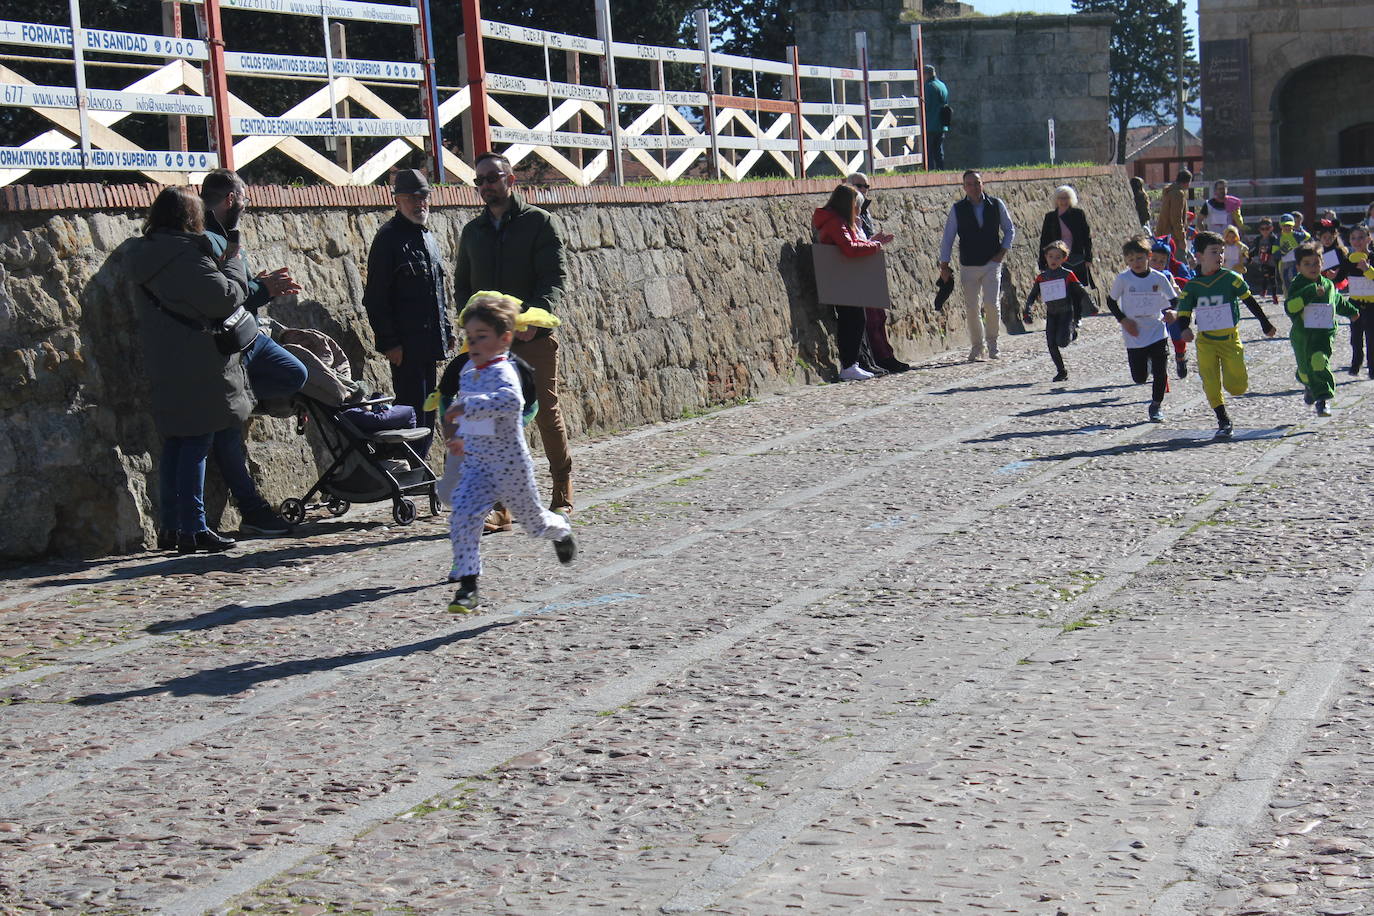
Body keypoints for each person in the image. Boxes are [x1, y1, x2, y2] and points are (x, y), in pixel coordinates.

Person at [130, 187, 252, 553]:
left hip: (164, 357)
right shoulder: (186, 255)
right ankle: (193, 528)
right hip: (198, 361)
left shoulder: (145, 253)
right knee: (198, 440)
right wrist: (234, 260)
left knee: (177, 443)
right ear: (189, 218)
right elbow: (225, 298)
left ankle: (171, 527)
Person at [453, 152, 573, 520]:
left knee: (545, 413)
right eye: (480, 181)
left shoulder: (540, 223)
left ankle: (561, 485)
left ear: (511, 179)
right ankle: (500, 506)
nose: (487, 186)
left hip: (532, 337)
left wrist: (535, 318)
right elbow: (463, 287)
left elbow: (554, 279)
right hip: (490, 346)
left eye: (493, 177)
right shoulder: (472, 232)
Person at [443, 293, 576, 612]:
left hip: (509, 467)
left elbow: (512, 403)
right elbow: (463, 412)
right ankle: (468, 586)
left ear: (504, 339)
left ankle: (560, 529)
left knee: (534, 525)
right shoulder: (468, 371)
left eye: (482, 337)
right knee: (462, 516)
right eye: (470, 337)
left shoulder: (504, 370)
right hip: (477, 466)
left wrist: (467, 407)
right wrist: (457, 435)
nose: (473, 343)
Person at [198, 168, 305, 539]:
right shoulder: (205, 238)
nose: (247, 204)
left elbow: (234, 289)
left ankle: (247, 396)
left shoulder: (227, 234)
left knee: (296, 373)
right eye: (244, 198)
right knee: (226, 433)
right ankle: (252, 510)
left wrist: (257, 285)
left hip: (249, 334)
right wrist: (262, 289)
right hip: (225, 344)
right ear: (231, 199)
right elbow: (220, 298)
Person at [364, 168, 455, 464]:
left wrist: (447, 330)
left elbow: (437, 290)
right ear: (398, 201)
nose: (420, 204)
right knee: (410, 409)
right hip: (406, 345)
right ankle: (408, 466)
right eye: (412, 198)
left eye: (424, 197)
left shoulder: (426, 237)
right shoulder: (389, 239)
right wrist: (390, 343)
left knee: (428, 408)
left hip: (429, 342)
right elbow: (376, 298)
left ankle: (419, 466)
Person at [1174, 230, 1279, 438]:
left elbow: (1250, 301)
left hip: (1231, 340)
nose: (1220, 257)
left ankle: (1230, 396)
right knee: (1211, 383)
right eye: (1214, 252)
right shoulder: (1193, 286)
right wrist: (1184, 329)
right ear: (1199, 256)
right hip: (1206, 342)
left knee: (1237, 387)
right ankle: (1223, 419)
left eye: (1222, 252)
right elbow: (1184, 312)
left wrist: (1265, 323)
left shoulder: (1231, 278)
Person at [813, 183, 893, 380]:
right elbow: (850, 248)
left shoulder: (838, 221)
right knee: (852, 320)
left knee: (856, 319)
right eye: (856, 206)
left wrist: (870, 241)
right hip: (842, 278)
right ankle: (849, 364)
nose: (858, 210)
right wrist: (874, 246)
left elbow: (853, 244)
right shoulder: (836, 222)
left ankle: (853, 363)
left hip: (845, 278)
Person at [938, 170, 1016, 361]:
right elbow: (948, 238)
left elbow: (1009, 229)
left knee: (991, 304)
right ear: (964, 187)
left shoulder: (996, 205)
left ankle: (993, 343)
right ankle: (977, 346)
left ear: (983, 184)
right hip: (968, 264)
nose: (974, 187)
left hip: (992, 261)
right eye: (970, 184)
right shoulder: (958, 209)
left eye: (977, 182)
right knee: (972, 307)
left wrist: (1002, 252)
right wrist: (944, 265)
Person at [1105, 236, 1181, 423]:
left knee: (1161, 370)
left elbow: (1174, 300)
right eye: (1131, 260)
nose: (1135, 263)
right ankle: (1145, 365)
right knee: (1139, 377)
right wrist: (1123, 320)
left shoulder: (1159, 277)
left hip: (1156, 329)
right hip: (1134, 332)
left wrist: (1172, 312)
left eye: (1139, 258)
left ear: (1148, 256)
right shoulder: (1123, 279)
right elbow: (1111, 301)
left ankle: (1156, 405)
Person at [1284, 243, 1358, 417]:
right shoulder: (1297, 285)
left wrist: (1352, 312)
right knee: (1305, 371)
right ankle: (1308, 384)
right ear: (1298, 267)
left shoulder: (1328, 285)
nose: (1313, 267)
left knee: (1319, 361)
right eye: (1307, 264)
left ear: (1322, 263)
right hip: (1302, 336)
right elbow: (1290, 308)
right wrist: (1310, 292)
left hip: (1323, 335)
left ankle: (1323, 400)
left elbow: (1337, 301)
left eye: (1316, 263)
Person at [847, 173, 910, 373]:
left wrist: (874, 241)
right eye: (859, 186)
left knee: (878, 316)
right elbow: (853, 242)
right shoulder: (848, 211)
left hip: (870, 263)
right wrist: (873, 242)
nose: (864, 190)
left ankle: (885, 355)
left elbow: (862, 239)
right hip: (859, 268)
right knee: (870, 317)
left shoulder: (864, 210)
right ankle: (878, 357)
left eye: (866, 186)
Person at [1022, 241, 1087, 383]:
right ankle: (1061, 371)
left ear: (1064, 259)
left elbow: (1081, 291)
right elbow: (1032, 295)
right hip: (1052, 313)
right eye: (1051, 256)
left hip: (1066, 312)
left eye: (1058, 257)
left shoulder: (1068, 274)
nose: (1053, 260)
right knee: (1051, 343)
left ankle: (1072, 331)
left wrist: (1091, 306)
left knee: (1062, 342)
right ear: (1046, 257)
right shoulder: (1042, 277)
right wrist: (1027, 310)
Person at [1037, 185, 1095, 319]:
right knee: (1062, 288)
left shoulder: (1078, 214)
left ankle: (1077, 316)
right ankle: (1066, 315)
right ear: (1056, 200)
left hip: (1076, 256)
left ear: (1071, 199)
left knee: (1076, 288)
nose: (1063, 201)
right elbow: (1044, 240)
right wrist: (1042, 261)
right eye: (1060, 198)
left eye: (1066, 198)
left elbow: (1087, 237)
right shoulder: (1050, 217)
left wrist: (1088, 258)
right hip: (1057, 258)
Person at [1149, 237, 1193, 378]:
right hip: (1153, 314)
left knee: (1177, 335)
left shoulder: (1168, 276)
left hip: (1169, 310)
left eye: (1161, 262)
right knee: (1156, 340)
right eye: (1154, 260)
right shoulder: (1142, 276)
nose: (1157, 264)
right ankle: (1156, 363)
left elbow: (1177, 293)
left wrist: (1179, 307)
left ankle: (1180, 357)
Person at [1344, 225, 1374, 376]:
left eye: (1361, 237)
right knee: (1355, 337)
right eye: (1353, 238)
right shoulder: (1348, 259)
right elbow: (1340, 277)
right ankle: (1356, 364)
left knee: (1371, 337)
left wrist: (1367, 269)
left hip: (1372, 304)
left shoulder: (1372, 257)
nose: (1357, 241)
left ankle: (1372, 368)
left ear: (1369, 239)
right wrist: (1332, 276)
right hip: (1354, 303)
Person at [1153, 168, 1191, 255]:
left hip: (1164, 234)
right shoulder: (1178, 194)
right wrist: (1182, 238)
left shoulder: (1169, 191)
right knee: (1181, 263)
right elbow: (1176, 218)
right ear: (1187, 182)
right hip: (1173, 237)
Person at [1250, 217, 1281, 305]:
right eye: (1262, 229)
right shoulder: (1258, 239)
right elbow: (1256, 249)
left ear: (1271, 228)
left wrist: (1270, 252)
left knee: (1272, 278)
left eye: (1267, 229)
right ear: (1259, 230)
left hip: (1272, 261)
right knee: (1265, 275)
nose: (1265, 231)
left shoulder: (1273, 239)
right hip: (1263, 260)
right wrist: (1250, 255)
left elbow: (1276, 249)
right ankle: (1264, 290)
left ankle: (1274, 295)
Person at [923, 65, 948, 170]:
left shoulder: (928, 86)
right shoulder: (942, 85)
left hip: (930, 123)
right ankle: (941, 169)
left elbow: (926, 105)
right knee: (938, 151)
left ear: (926, 74)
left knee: (928, 151)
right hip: (941, 123)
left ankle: (930, 171)